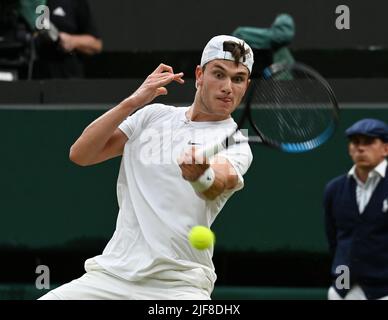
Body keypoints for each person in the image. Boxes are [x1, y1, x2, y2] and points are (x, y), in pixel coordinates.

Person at [38, 35, 254, 300]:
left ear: (246, 85)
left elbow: (217, 184)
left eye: (238, 79)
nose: (227, 87)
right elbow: (81, 154)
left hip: (179, 285)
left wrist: (202, 176)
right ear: (199, 75)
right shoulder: (153, 115)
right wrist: (134, 101)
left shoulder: (236, 141)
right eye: (219, 74)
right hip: (111, 276)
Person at [323, 118, 388, 300]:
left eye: (368, 142)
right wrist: (339, 284)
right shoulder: (334, 189)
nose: (360, 148)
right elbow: (334, 240)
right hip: (342, 286)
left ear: (385, 148)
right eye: (355, 142)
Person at [33, 0, 102, 78]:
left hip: (67, 80)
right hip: (32, 78)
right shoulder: (26, 4)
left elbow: (96, 44)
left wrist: (72, 41)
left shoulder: (75, 3)